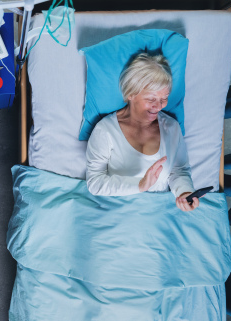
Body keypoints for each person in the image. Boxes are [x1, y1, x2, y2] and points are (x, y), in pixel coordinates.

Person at [85, 53, 199, 211]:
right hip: (116, 211)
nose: (159, 106)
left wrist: (185, 192)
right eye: (151, 99)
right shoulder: (105, 131)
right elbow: (95, 183)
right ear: (131, 94)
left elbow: (178, 170)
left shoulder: (171, 127)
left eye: (164, 98)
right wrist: (139, 185)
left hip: (159, 212)